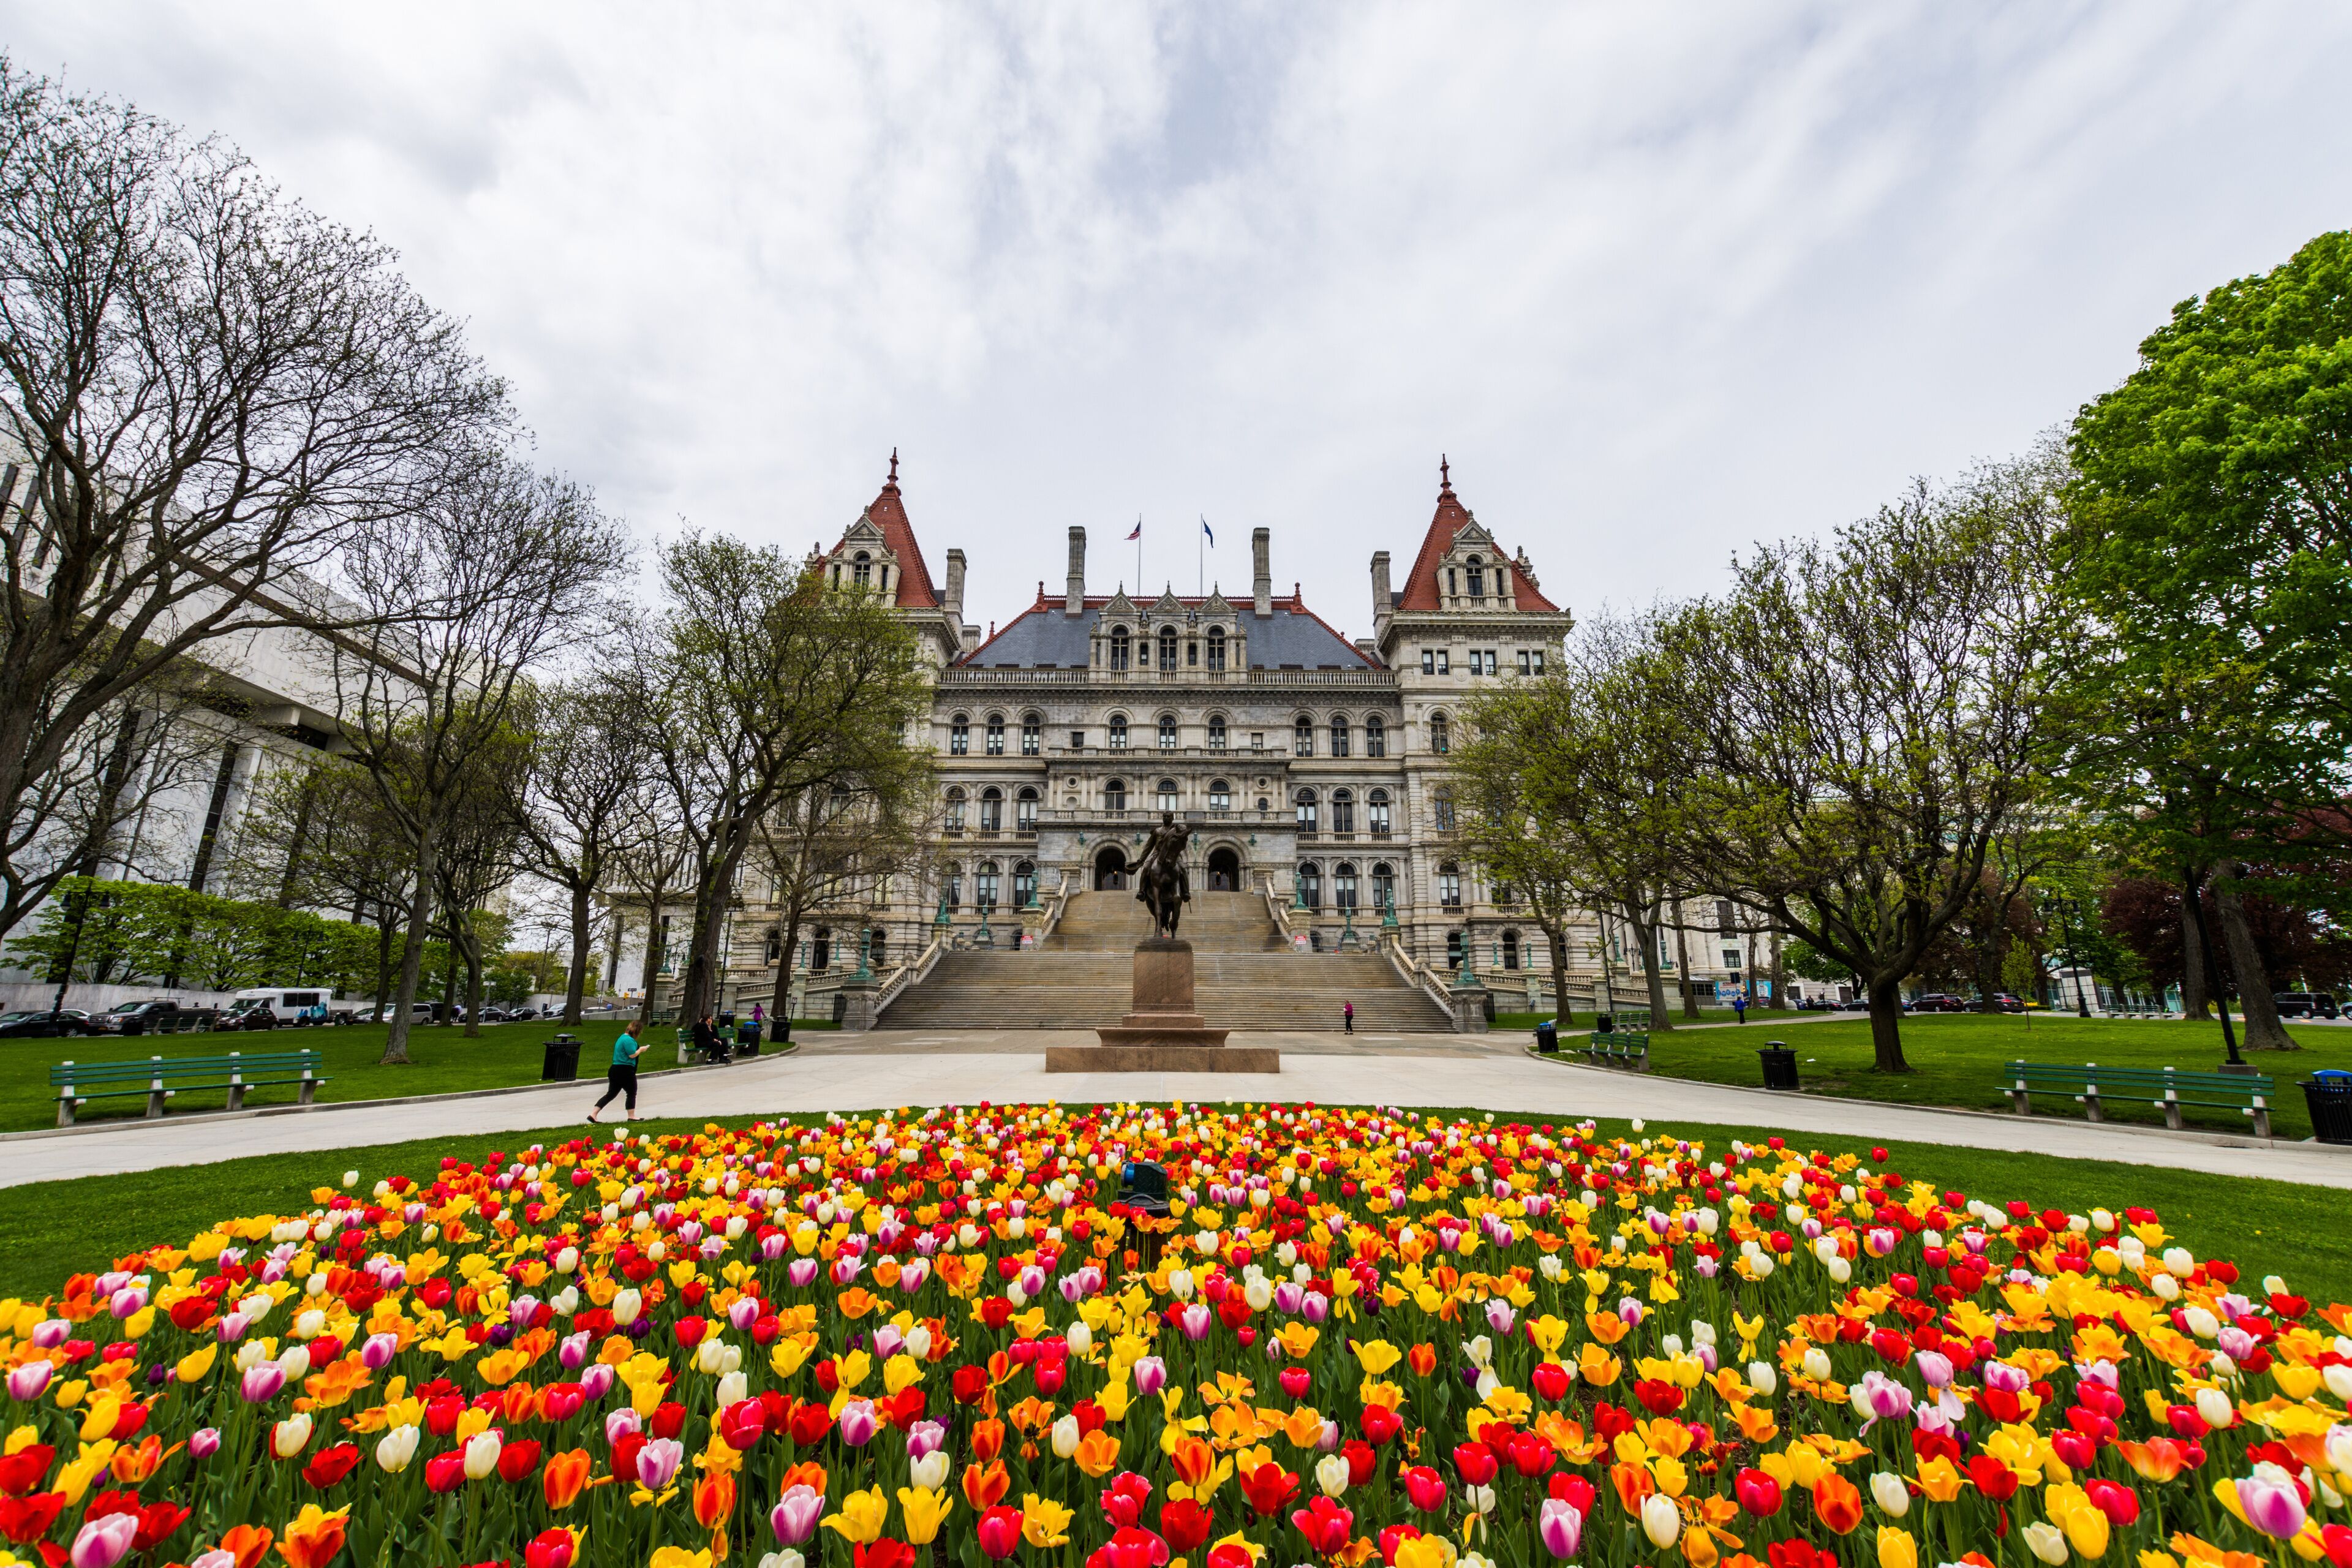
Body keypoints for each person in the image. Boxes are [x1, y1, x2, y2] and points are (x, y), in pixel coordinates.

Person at [589, 1025, 646, 1121]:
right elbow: (632, 1055)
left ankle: (593, 1114)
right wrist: (640, 1050)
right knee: (632, 1092)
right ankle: (631, 1116)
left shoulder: (621, 1038)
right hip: (625, 1069)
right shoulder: (629, 1040)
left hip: (615, 1069)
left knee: (611, 1094)